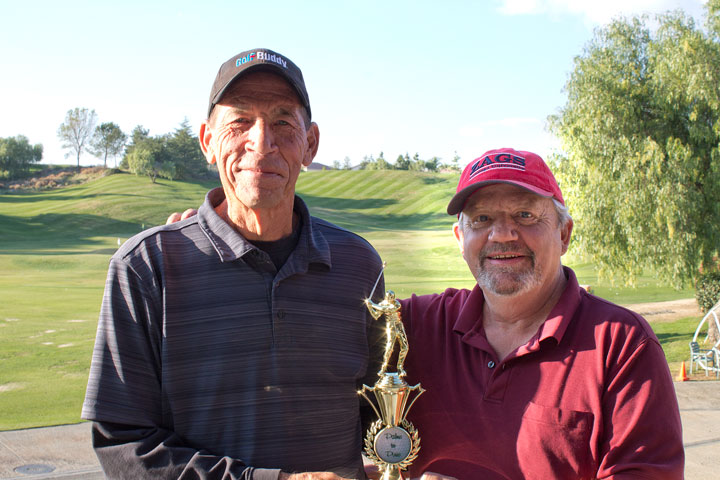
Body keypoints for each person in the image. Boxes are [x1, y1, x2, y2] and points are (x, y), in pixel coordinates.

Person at [82, 48, 386, 480]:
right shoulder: (146, 265)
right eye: (239, 121)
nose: (261, 143)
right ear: (208, 141)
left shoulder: (359, 264)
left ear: (310, 143)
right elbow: (123, 445)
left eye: (283, 122)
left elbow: (380, 413)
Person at [398, 148, 685, 479]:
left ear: (563, 234)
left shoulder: (621, 344)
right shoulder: (414, 325)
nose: (502, 234)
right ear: (461, 239)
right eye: (481, 219)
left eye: (525, 215)